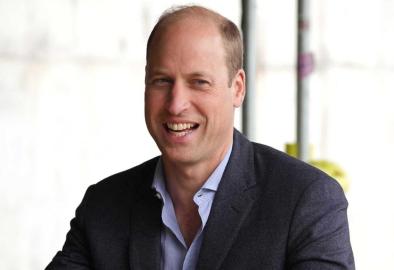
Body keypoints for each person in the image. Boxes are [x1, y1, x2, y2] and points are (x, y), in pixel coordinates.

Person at [46, 5, 355, 270]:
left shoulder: (306, 201)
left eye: (199, 82)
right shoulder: (103, 206)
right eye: (162, 80)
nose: (176, 103)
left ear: (237, 88)